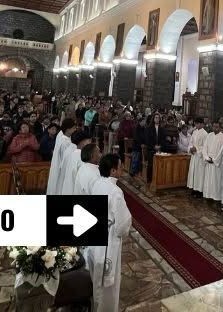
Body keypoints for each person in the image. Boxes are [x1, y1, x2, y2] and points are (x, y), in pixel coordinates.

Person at [86, 154, 133, 312]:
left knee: (95, 275)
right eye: (120, 166)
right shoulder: (115, 191)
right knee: (108, 285)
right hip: (109, 240)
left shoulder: (97, 183)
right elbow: (122, 224)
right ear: (113, 170)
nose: (122, 169)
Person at [46, 118, 77, 195]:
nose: (75, 130)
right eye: (73, 128)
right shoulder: (66, 143)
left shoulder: (61, 134)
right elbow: (67, 160)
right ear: (68, 129)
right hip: (62, 169)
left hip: (57, 166)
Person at [188, 118, 207, 196]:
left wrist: (197, 149)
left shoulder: (205, 134)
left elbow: (206, 147)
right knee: (193, 173)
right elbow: (191, 142)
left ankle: (199, 191)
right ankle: (194, 188)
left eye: (198, 123)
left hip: (200, 157)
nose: (196, 125)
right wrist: (191, 148)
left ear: (202, 124)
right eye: (196, 124)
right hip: (194, 156)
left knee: (199, 174)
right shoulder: (194, 132)